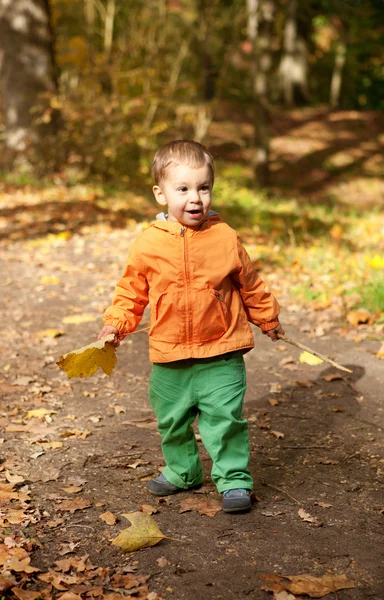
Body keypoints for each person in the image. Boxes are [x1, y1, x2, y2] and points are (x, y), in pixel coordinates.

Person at [97, 140, 285, 513]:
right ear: (160, 194)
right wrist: (115, 326)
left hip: (222, 349)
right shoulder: (148, 244)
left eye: (203, 187)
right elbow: (131, 291)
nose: (195, 198)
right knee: (172, 420)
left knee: (224, 419)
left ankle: (233, 480)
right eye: (182, 189)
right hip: (170, 353)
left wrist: (267, 318)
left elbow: (250, 283)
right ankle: (184, 472)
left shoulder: (225, 237)